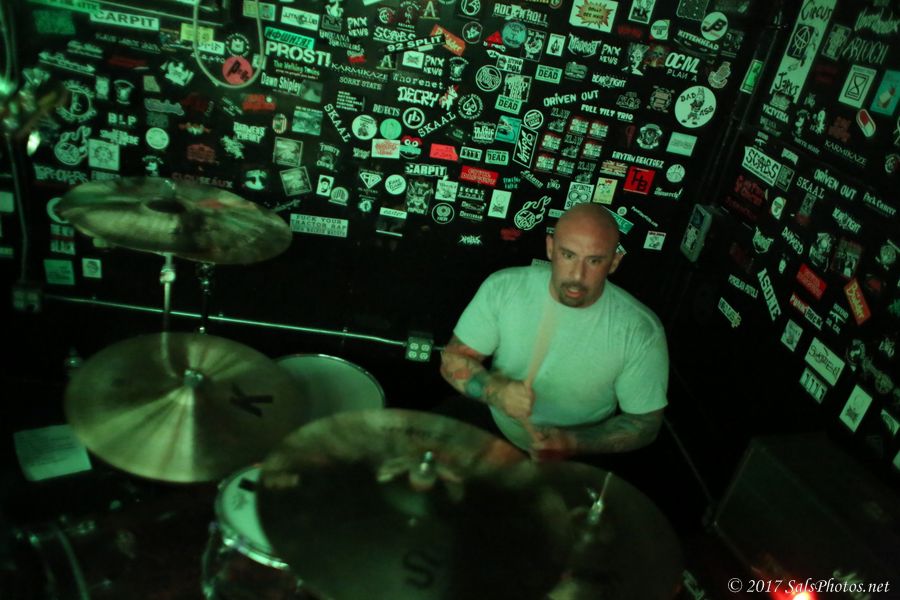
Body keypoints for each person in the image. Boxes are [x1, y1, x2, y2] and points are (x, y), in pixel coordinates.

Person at [439, 203, 668, 460]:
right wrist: (496, 391)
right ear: (550, 248)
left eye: (594, 261)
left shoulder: (641, 330)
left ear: (614, 262)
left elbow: (646, 424)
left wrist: (572, 442)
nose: (577, 276)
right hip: (497, 427)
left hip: (578, 451)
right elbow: (452, 360)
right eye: (568, 255)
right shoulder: (504, 288)